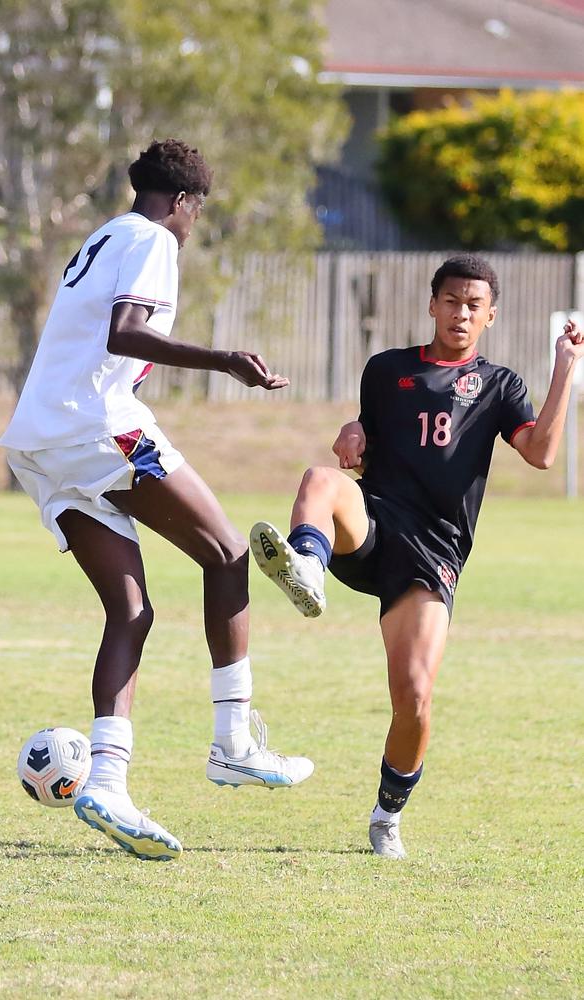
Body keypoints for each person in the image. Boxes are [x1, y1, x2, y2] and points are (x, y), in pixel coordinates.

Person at [0, 138, 313, 863]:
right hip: (100, 428)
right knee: (229, 553)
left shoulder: (104, 233)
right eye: (197, 213)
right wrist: (226, 360)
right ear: (185, 203)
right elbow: (126, 331)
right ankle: (233, 741)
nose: (193, 224)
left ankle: (106, 782)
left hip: (40, 445)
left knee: (131, 611)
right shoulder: (152, 239)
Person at [250, 254, 583, 860]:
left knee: (415, 699)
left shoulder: (501, 385)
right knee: (320, 480)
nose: (461, 313)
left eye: (473, 305)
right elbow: (364, 437)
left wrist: (565, 369)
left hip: (432, 551)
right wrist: (352, 430)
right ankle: (306, 566)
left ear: (490, 316)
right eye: (451, 300)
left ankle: (386, 815)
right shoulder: (385, 369)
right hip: (372, 525)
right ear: (432, 305)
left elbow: (540, 453)